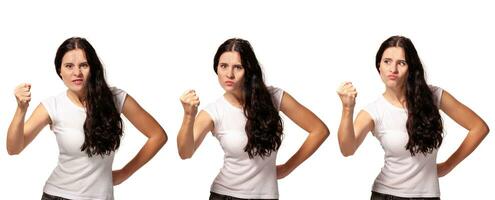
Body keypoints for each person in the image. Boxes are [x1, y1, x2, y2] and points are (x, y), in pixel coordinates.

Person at [6, 37, 167, 200]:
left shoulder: (115, 98)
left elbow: (158, 135)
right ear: (60, 71)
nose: (77, 73)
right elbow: (14, 148)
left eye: (83, 65)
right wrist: (21, 110)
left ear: (93, 67)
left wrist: (125, 173)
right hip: (58, 195)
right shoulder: (52, 105)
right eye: (69, 66)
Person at [337, 35, 489, 199]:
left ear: (411, 68)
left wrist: (447, 166)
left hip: (428, 195)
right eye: (387, 61)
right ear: (378, 66)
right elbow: (347, 149)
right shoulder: (373, 111)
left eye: (401, 63)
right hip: (386, 195)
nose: (393, 69)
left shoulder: (434, 95)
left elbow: (479, 127)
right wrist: (347, 109)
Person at [177, 38, 329, 200]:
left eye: (238, 67)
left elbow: (319, 130)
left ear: (248, 70)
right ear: (217, 69)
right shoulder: (214, 111)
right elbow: (185, 152)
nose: (229, 74)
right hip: (226, 195)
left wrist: (287, 168)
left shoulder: (274, 97)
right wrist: (188, 117)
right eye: (223, 66)